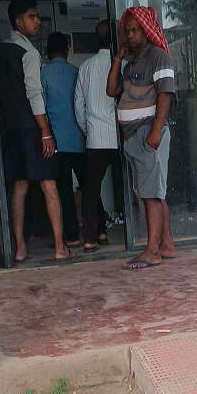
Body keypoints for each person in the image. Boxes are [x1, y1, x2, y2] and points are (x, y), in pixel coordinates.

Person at [0, 0, 69, 262]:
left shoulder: (2, 50)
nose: (37, 21)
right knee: (49, 184)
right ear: (18, 21)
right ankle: (60, 247)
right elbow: (34, 93)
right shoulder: (29, 53)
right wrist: (45, 131)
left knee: (20, 185)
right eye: (32, 17)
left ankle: (19, 248)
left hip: (12, 128)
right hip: (32, 127)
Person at [106, 6, 178, 269]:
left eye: (136, 30)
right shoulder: (131, 62)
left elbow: (165, 94)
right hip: (134, 136)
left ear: (147, 31)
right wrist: (118, 59)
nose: (131, 35)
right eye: (127, 31)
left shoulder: (158, 57)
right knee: (153, 192)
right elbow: (111, 90)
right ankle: (166, 245)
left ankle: (152, 251)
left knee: (150, 195)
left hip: (148, 133)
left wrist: (156, 131)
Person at [74, 19, 119, 251]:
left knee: (91, 190)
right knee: (133, 184)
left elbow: (78, 106)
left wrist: (88, 129)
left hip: (96, 138)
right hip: (122, 136)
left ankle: (93, 237)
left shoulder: (86, 67)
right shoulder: (122, 64)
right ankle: (139, 233)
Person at [41, 31, 86, 247]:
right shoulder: (76, 72)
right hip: (80, 138)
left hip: (56, 141)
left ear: (47, 51)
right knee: (89, 186)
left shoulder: (43, 74)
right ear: (67, 50)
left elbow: (40, 108)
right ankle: (98, 231)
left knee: (64, 190)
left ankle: (72, 236)